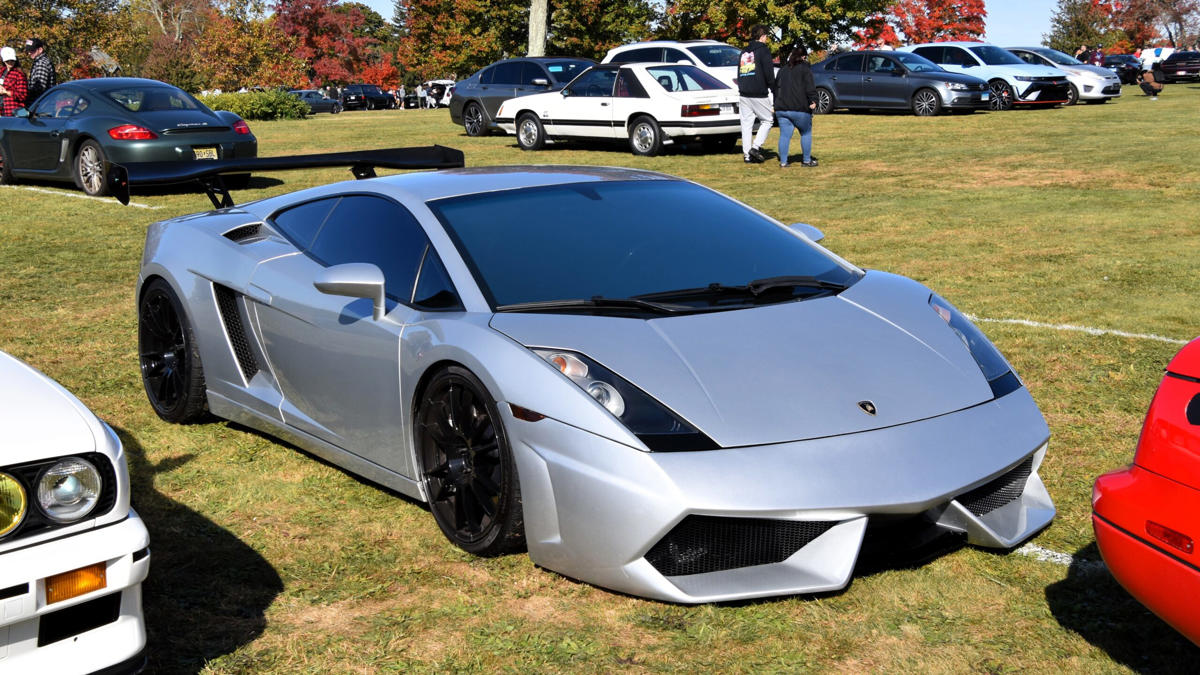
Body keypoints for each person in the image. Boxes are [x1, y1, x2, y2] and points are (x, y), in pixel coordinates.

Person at [737, 23, 777, 164]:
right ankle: (755, 147)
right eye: (766, 36)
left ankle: (747, 155)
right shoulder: (763, 50)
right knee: (768, 120)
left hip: (744, 92)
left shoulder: (744, 52)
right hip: (758, 92)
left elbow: (739, 72)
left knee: (746, 125)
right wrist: (774, 88)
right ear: (763, 36)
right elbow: (769, 73)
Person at [774, 47, 817, 168]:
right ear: (803, 57)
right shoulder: (805, 69)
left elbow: (775, 89)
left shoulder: (782, 70)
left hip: (782, 108)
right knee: (806, 133)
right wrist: (814, 100)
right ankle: (807, 160)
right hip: (800, 108)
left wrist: (776, 104)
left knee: (784, 135)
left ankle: (783, 162)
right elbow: (810, 87)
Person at [24, 37, 55, 102]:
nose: (29, 53)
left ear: (40, 50)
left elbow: (39, 88)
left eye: (32, 50)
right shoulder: (39, 61)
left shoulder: (41, 63)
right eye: (28, 51)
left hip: (42, 103)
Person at [0, 47, 28, 116]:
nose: (10, 62)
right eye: (8, 60)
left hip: (14, 112)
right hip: (2, 110)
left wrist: (6, 92)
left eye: (12, 60)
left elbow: (23, 95)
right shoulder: (1, 71)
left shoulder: (19, 74)